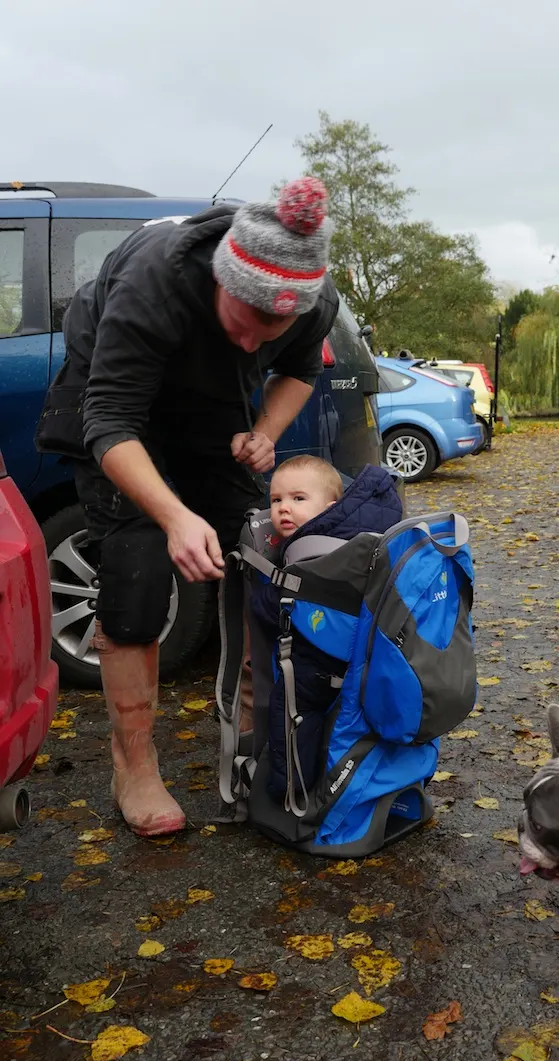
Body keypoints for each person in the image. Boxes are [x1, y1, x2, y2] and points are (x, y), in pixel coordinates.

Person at [35, 177, 338, 837]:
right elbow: (111, 422)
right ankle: (132, 762)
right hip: (114, 401)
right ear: (221, 280)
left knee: (258, 550)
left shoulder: (311, 299)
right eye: (248, 318)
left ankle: (261, 732)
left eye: (276, 325)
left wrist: (264, 432)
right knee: (138, 561)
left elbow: (301, 371)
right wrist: (173, 515)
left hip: (209, 405)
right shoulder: (155, 280)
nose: (259, 339)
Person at [250, 457, 403, 806]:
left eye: (298, 499)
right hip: (373, 659)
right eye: (275, 500)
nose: (283, 509)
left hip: (316, 670)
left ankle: (289, 786)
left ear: (330, 507)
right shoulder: (366, 537)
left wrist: (263, 583)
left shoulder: (311, 553)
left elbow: (268, 610)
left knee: (289, 707)